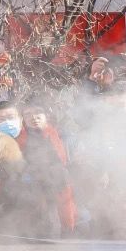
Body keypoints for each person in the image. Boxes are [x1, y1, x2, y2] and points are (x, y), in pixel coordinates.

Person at [16, 99, 76, 236]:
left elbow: (67, 160)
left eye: (38, 113)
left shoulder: (61, 135)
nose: (34, 117)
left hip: (60, 181)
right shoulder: (19, 139)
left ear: (46, 116)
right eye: (28, 114)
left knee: (66, 214)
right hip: (33, 185)